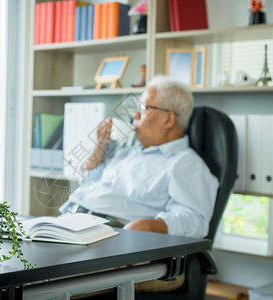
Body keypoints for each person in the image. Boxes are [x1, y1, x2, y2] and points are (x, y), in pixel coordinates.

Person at [59, 75, 219, 239]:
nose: (135, 115)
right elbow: (87, 182)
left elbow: (195, 221)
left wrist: (148, 226)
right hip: (72, 221)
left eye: (143, 108)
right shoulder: (128, 152)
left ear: (168, 119)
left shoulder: (185, 163)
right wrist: (101, 145)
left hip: (112, 235)